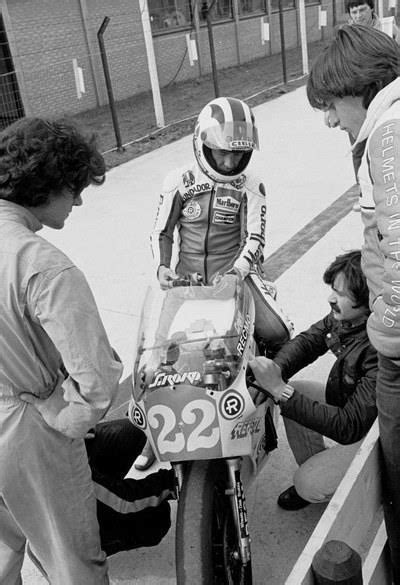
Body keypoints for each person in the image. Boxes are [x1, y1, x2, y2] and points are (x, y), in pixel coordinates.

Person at [134, 96, 293, 471]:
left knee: (278, 332)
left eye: (238, 155)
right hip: (185, 282)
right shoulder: (179, 180)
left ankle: (263, 405)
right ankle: (151, 436)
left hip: (234, 278)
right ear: (202, 142)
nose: (229, 162)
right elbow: (161, 230)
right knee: (154, 359)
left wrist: (237, 271)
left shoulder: (251, 183)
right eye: (222, 153)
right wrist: (161, 269)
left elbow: (256, 236)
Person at [0, 116, 121, 584]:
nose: (80, 199)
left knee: (6, 547)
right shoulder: (42, 264)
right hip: (29, 432)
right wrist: (65, 419)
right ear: (46, 185)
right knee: (72, 560)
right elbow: (95, 380)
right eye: (74, 188)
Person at [306, 24, 400, 582]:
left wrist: (387, 331)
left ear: (362, 87)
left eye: (332, 104)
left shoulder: (387, 134)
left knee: (392, 486)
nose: (329, 119)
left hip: (395, 352)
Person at [250, 250, 377, 510]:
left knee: (308, 484)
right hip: (357, 408)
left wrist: (279, 388)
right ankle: (325, 469)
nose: (331, 298)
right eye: (333, 290)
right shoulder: (352, 318)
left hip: (381, 438)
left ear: (368, 299)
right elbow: (309, 342)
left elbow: (350, 426)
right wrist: (274, 370)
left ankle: (365, 485)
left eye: (341, 294)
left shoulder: (381, 347)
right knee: (296, 393)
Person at [86, 418, 175, 556]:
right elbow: (125, 502)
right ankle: (102, 536)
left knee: (134, 431)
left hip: (63, 453)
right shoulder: (59, 475)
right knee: (157, 519)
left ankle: (104, 486)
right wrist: (171, 482)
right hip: (65, 532)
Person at [343, 1, 400, 212]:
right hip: (360, 102)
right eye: (353, 11)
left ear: (371, 9)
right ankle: (365, 193)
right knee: (359, 149)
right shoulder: (347, 35)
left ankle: (388, 194)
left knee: (384, 145)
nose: (358, 15)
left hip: (385, 98)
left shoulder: (387, 28)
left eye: (362, 10)